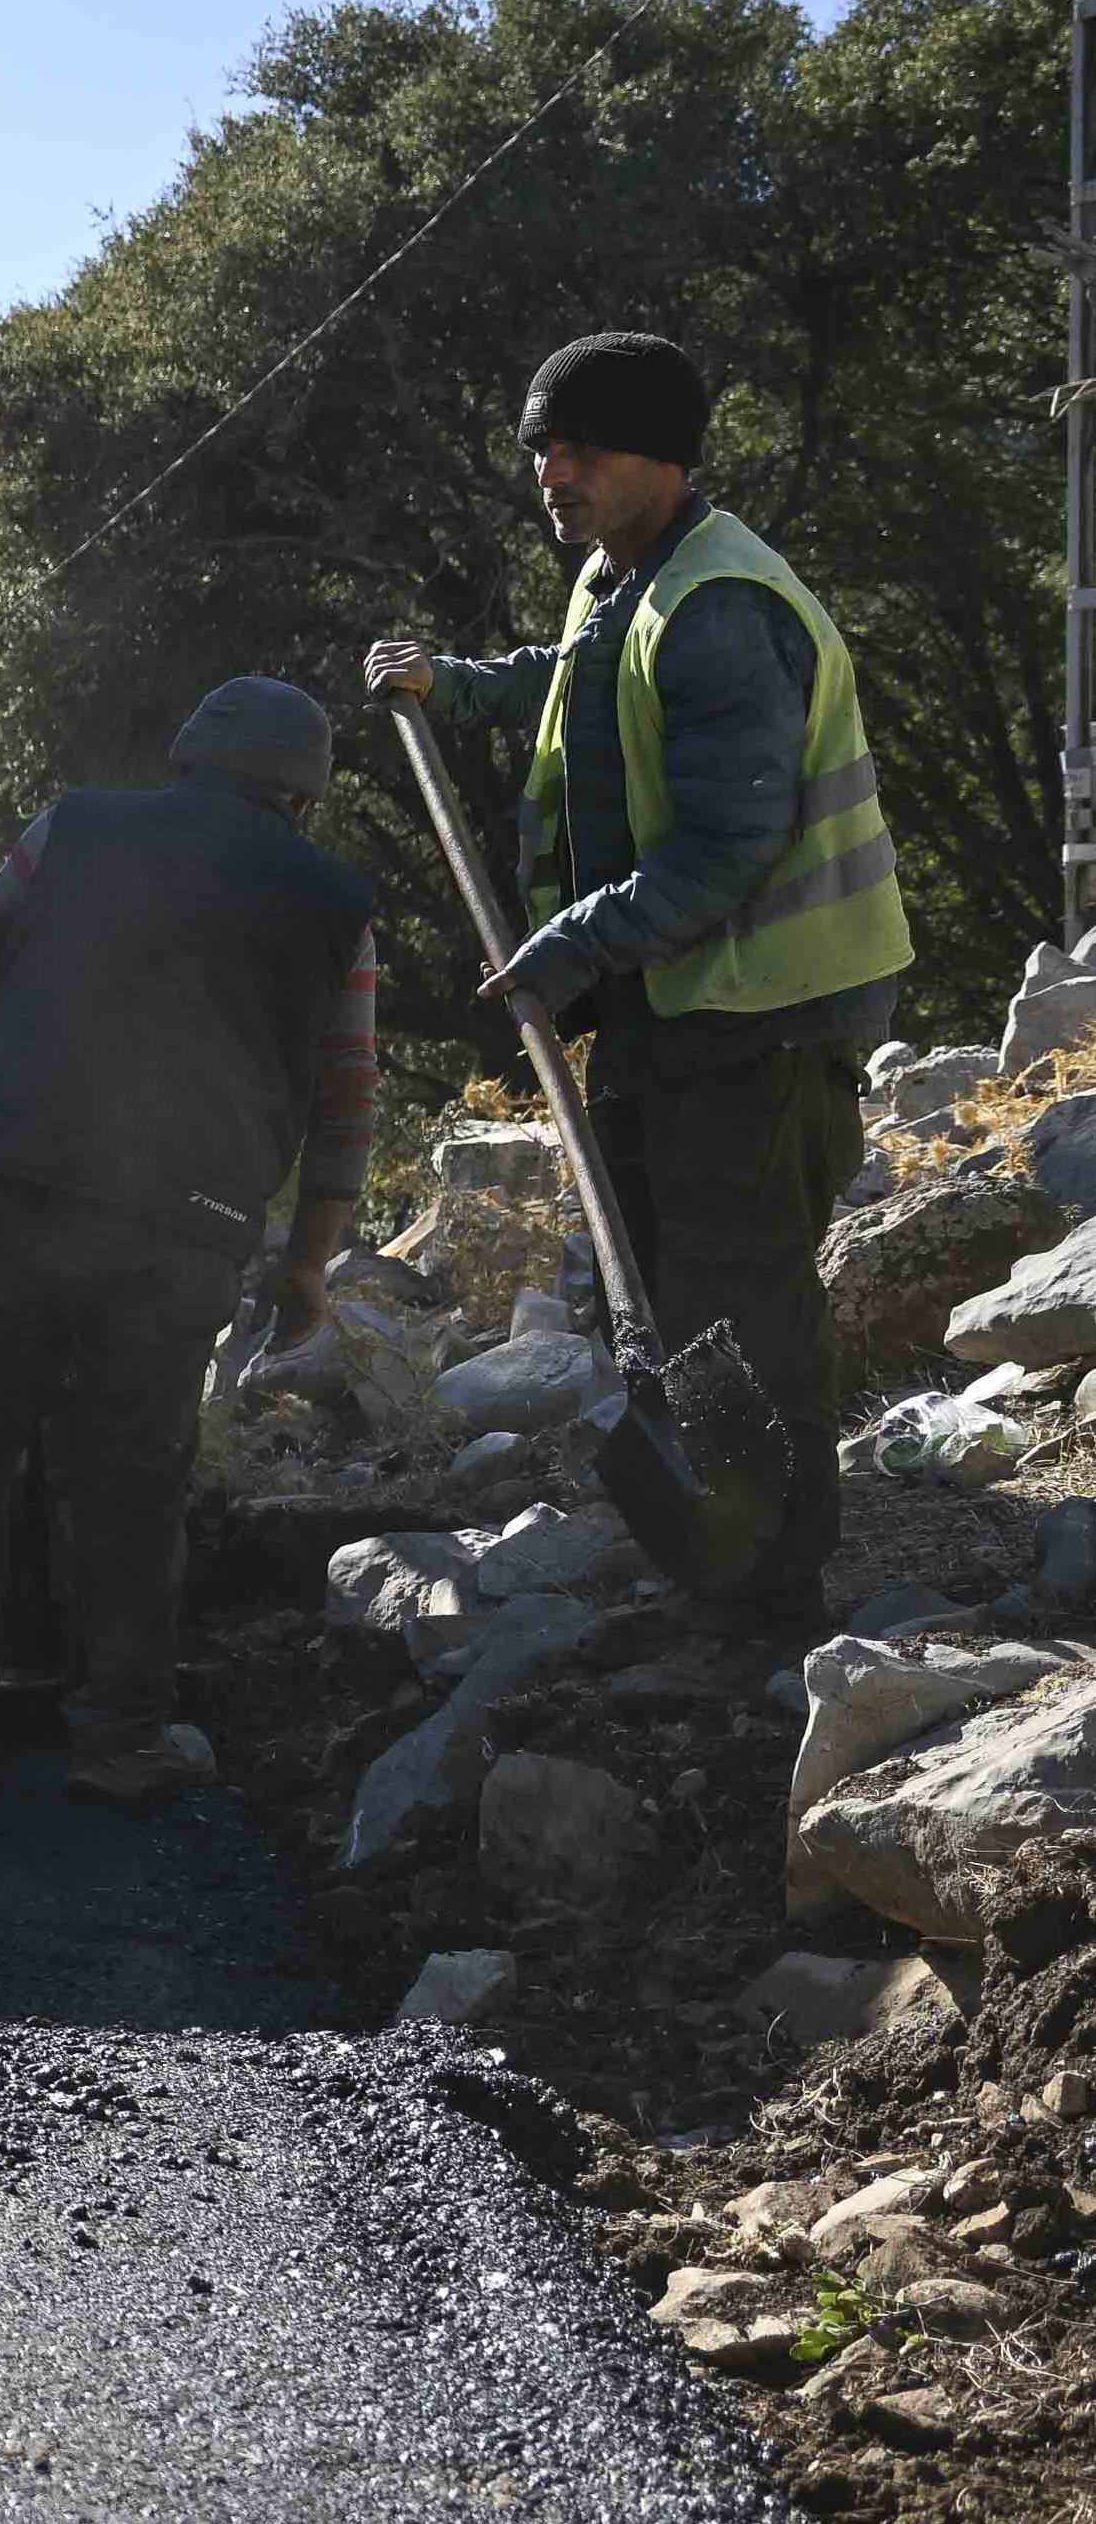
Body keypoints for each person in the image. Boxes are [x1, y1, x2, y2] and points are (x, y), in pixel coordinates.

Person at [367, 329, 907, 1646]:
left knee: (738, 1301)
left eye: (583, 447)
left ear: (664, 457)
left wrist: (572, 946)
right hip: (677, 1008)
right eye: (543, 449)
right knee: (656, 1296)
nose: (554, 469)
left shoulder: (721, 606)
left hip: (764, 1018)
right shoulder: (624, 581)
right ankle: (716, 1557)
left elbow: (732, 842)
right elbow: (582, 690)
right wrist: (463, 683)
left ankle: (773, 1599)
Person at [0, 680, 380, 1803]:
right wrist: (307, 1257)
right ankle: (122, 1735)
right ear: (302, 791)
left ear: (187, 754)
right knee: (133, 1474)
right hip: (183, 1221)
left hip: (18, 1188)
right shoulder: (338, 904)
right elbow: (345, 1100)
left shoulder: (76, 827)